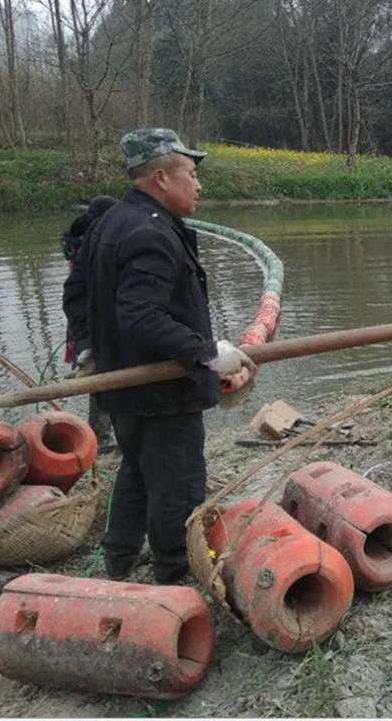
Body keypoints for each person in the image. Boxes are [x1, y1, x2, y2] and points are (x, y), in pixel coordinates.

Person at [63, 128, 256, 584]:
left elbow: (77, 290)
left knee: (136, 471)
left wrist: (88, 343)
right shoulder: (151, 233)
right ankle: (175, 576)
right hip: (163, 393)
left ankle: (119, 556)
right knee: (177, 484)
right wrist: (207, 352)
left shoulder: (109, 222)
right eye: (191, 173)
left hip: (123, 390)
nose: (199, 184)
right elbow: (141, 315)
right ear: (161, 177)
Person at [61, 196, 118, 455]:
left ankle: (102, 436)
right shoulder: (94, 245)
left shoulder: (82, 242)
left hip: (84, 325)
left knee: (102, 382)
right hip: (92, 326)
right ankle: (102, 439)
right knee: (103, 381)